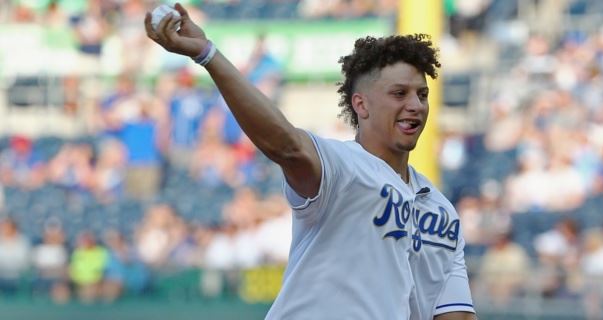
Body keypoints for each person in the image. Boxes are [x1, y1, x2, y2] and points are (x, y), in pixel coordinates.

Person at [145, 3, 476, 319]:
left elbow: (455, 314)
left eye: (422, 94)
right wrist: (208, 55)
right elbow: (286, 145)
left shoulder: (442, 212)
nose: (416, 104)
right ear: (361, 105)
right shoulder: (342, 165)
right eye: (399, 93)